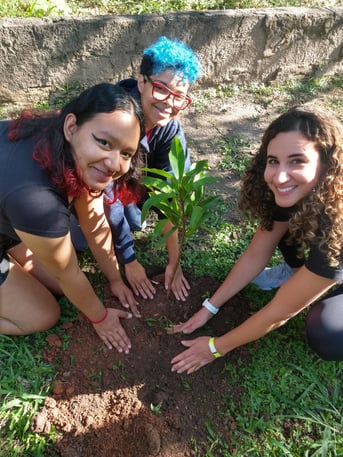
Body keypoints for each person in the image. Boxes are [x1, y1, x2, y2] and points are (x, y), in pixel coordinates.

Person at [169, 106, 343, 374]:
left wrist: (216, 347)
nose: (279, 176)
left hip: (336, 252)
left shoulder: (338, 225)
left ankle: (317, 281)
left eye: (297, 161)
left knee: (325, 332)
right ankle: (306, 276)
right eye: (273, 161)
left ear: (326, 164)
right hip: (328, 250)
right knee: (285, 226)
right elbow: (256, 254)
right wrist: (209, 308)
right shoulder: (290, 191)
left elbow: (280, 311)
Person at [0, 82, 146, 354]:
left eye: (126, 153)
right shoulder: (36, 199)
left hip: (7, 215)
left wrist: (115, 279)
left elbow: (93, 219)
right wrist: (101, 318)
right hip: (15, 203)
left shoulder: (69, 149)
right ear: (71, 127)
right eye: (104, 142)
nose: (115, 164)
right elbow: (67, 272)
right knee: (43, 314)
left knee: (63, 286)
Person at [104, 36, 202, 302]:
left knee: (134, 221)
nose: (169, 103)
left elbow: (173, 191)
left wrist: (175, 260)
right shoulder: (117, 118)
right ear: (141, 81)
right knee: (87, 236)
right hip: (92, 183)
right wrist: (129, 259)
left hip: (128, 181)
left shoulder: (170, 126)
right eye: (161, 89)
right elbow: (107, 194)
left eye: (179, 97)